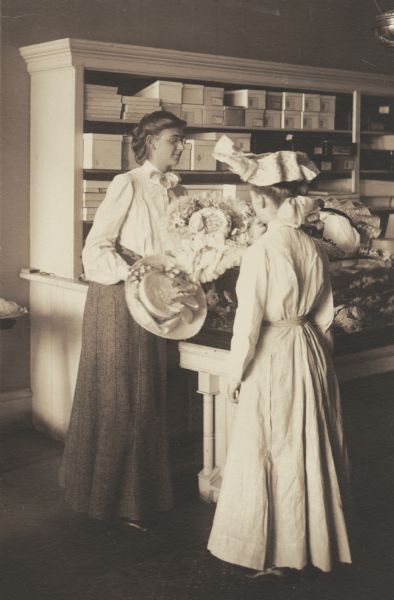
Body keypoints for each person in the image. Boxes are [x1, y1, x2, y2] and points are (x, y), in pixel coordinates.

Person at [207, 137, 352, 576]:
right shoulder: (312, 247)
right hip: (308, 349)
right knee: (308, 443)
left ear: (261, 201)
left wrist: (235, 373)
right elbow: (325, 316)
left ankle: (272, 549)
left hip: (273, 352)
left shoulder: (261, 252)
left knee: (270, 445)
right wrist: (318, 359)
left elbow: (248, 324)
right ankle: (310, 545)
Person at [59, 111, 187, 525]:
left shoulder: (176, 190)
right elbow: (96, 247)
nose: (181, 147)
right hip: (117, 298)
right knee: (121, 397)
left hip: (152, 298)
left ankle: (139, 497)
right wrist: (133, 276)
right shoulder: (126, 184)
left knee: (146, 396)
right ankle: (112, 500)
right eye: (173, 140)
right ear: (149, 142)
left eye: (182, 141)